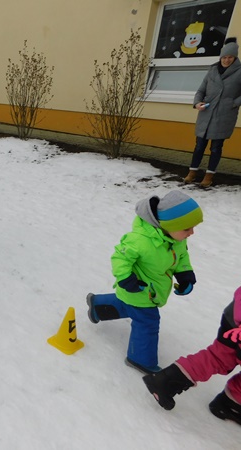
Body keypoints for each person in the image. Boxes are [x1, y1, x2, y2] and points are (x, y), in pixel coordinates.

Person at [86, 190, 203, 374]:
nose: (192, 233)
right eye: (187, 229)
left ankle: (98, 306)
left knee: (127, 306)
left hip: (149, 290)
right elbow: (120, 258)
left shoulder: (175, 240)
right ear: (169, 225)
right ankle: (139, 358)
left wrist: (185, 275)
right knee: (147, 322)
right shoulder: (139, 240)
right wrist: (125, 278)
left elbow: (181, 257)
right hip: (139, 289)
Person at [143, 286, 241, 426]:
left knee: (219, 357)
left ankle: (165, 381)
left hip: (235, 315)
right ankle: (232, 402)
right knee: (219, 357)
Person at [184, 37, 241, 188]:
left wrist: (233, 103)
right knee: (199, 145)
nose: (226, 60)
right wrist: (197, 103)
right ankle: (192, 172)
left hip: (224, 115)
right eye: (224, 57)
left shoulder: (239, 72)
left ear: (234, 58)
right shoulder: (212, 70)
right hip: (206, 112)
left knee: (216, 147)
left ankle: (209, 175)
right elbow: (201, 90)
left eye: (230, 57)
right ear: (220, 57)